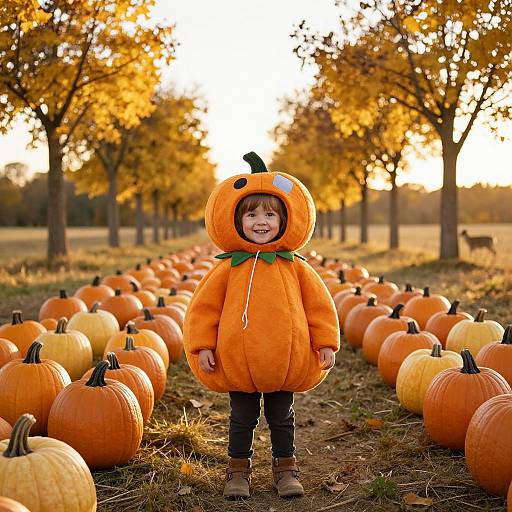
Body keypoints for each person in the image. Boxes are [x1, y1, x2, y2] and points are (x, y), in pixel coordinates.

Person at [183, 152, 340, 499]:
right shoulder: (229, 268)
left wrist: (325, 342)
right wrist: (203, 346)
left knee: (282, 417)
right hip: (239, 361)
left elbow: (319, 307)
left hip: (285, 360)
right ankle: (238, 471)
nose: (261, 221)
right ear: (237, 221)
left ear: (284, 220)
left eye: (270, 213)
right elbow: (203, 310)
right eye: (251, 214)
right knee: (242, 418)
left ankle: (286, 468)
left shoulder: (294, 267)